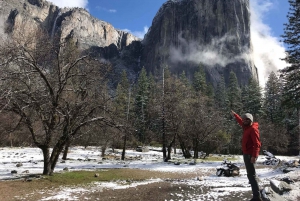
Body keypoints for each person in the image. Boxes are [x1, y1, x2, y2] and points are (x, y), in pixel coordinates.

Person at [231, 110, 262, 201]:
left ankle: (257, 197)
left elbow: (257, 144)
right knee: (251, 175)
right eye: (244, 119)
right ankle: (256, 195)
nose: (244, 121)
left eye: (247, 120)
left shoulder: (253, 129)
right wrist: (235, 115)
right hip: (246, 154)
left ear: (251, 120)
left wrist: (254, 156)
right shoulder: (246, 127)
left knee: (252, 175)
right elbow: (241, 121)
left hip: (250, 155)